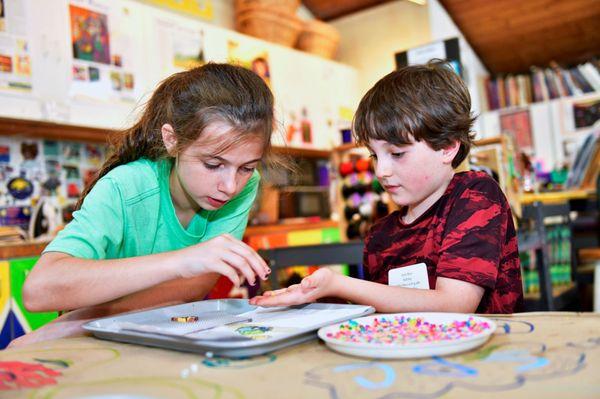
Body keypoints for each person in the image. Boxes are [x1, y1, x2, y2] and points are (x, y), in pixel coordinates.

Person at [15, 63, 274, 346]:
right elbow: (38, 290)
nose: (230, 186)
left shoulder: (244, 185)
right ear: (172, 140)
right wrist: (182, 261)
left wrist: (77, 324)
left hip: (151, 331)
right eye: (213, 164)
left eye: (246, 167)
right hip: (97, 342)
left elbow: (194, 286)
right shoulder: (126, 185)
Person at [251, 61, 524, 314]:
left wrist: (338, 285)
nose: (381, 171)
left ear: (448, 147)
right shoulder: (379, 236)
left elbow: (453, 305)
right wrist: (322, 298)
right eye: (374, 155)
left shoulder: (475, 196)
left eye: (397, 153)